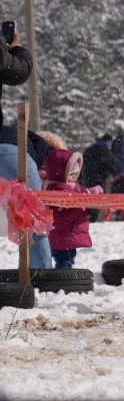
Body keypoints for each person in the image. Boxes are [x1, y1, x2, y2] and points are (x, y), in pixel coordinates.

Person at [0, 29, 47, 267]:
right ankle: (40, 272)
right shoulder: (36, 146)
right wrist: (16, 48)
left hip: (13, 145)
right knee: (33, 218)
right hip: (13, 150)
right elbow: (17, 70)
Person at [42, 148, 104, 269]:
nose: (75, 176)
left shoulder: (61, 188)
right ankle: (62, 278)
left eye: (76, 173)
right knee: (64, 261)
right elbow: (75, 198)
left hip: (65, 235)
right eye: (71, 174)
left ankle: (63, 275)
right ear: (61, 174)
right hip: (64, 235)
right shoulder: (59, 190)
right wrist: (91, 192)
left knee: (67, 259)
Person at [79, 133, 120, 222]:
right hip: (98, 179)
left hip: (86, 178)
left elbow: (82, 164)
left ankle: (86, 218)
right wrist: (115, 172)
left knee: (88, 199)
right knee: (97, 200)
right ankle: (91, 221)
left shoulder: (89, 149)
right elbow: (111, 165)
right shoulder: (105, 150)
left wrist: (80, 177)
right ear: (108, 141)